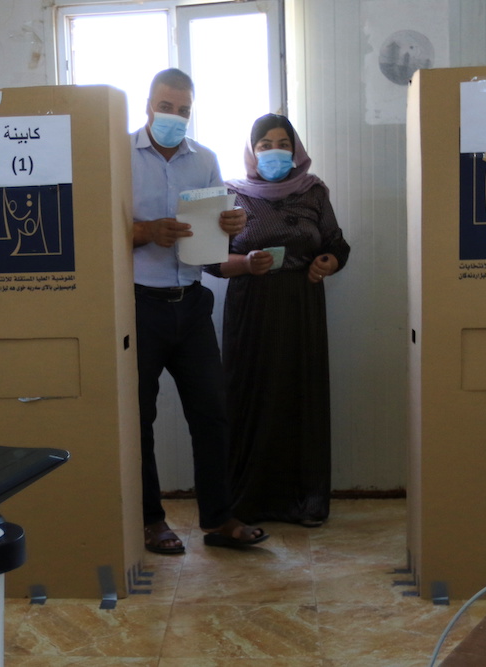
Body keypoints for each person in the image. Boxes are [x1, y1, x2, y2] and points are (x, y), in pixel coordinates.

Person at [131, 68, 268, 553]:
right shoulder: (116, 157)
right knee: (138, 417)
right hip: (136, 306)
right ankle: (150, 521)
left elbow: (210, 252)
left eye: (183, 110)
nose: (174, 117)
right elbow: (94, 229)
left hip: (190, 306)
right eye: (165, 107)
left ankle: (218, 519)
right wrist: (145, 232)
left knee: (213, 413)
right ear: (148, 105)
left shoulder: (205, 160)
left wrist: (232, 225)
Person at [207, 113, 350, 527]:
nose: (273, 150)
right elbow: (211, 261)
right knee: (250, 394)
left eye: (282, 142)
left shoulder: (314, 191)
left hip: (302, 305)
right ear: (252, 151)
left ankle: (306, 501)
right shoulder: (231, 195)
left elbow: (336, 242)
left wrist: (330, 260)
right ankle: (248, 501)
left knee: (299, 394)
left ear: (296, 148)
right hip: (251, 307)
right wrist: (245, 262)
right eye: (264, 144)